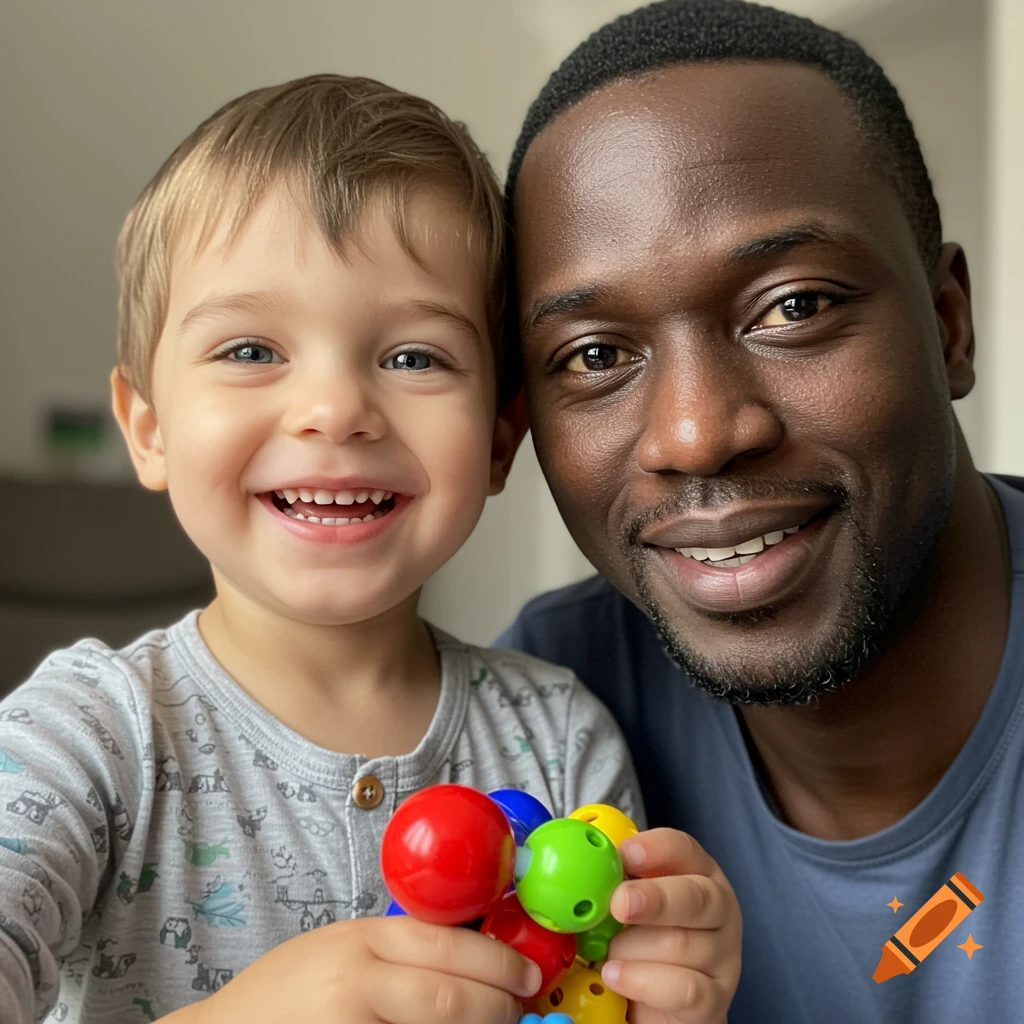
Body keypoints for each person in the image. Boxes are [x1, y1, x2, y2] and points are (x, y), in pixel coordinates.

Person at [0, 74, 742, 1024]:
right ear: (147, 428)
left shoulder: (557, 740)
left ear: (499, 442)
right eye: (250, 350)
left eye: (413, 358)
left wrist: (671, 1002)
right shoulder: (87, 737)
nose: (335, 409)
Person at [498, 0, 1022, 1020]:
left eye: (793, 306)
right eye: (595, 356)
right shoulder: (540, 725)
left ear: (948, 323)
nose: (695, 433)